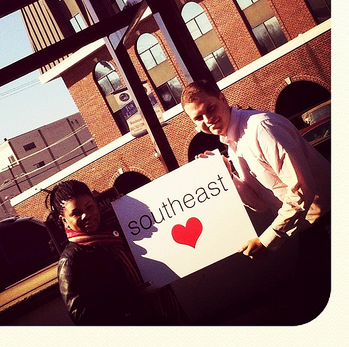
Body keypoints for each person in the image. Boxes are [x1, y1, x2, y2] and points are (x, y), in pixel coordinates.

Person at [180, 79, 330, 322]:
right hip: (313, 228)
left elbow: (301, 190)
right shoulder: (233, 145)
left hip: (330, 220)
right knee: (309, 306)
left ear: (223, 99)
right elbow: (264, 203)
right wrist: (227, 177)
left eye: (210, 108)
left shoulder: (261, 127)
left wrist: (268, 239)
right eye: (198, 118)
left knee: (309, 307)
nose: (207, 119)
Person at [47, 179, 184, 325]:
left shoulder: (117, 233)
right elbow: (83, 317)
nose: (86, 215)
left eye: (89, 207)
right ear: (64, 220)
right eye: (76, 213)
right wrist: (134, 296)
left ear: (96, 204)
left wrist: (206, 165)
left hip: (168, 316)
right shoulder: (71, 260)